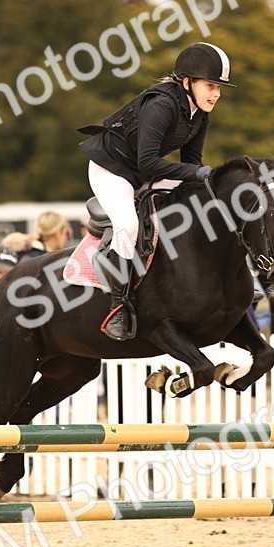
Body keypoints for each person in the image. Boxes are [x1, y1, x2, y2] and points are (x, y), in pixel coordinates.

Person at [77, 41, 231, 341]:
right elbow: (147, 160)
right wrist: (196, 173)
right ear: (187, 81)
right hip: (113, 170)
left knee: (207, 199)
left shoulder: (199, 113)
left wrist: (206, 182)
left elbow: (191, 165)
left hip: (145, 172)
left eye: (219, 88)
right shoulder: (161, 105)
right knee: (128, 224)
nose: (216, 94)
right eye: (211, 85)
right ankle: (117, 306)